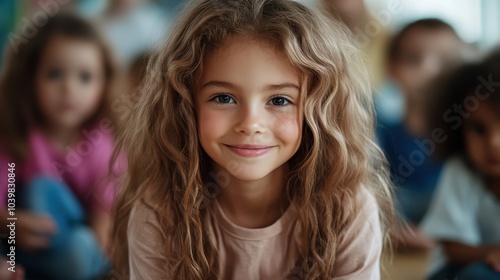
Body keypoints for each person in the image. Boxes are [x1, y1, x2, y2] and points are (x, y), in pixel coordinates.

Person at [111, 0, 394, 279]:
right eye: (223, 98)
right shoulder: (158, 212)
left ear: (318, 110)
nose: (250, 124)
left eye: (280, 100)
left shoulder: (347, 210)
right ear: (185, 105)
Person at [0, 13, 123, 280]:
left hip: (81, 243)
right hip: (19, 243)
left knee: (79, 245)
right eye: (54, 74)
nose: (69, 88)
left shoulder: (101, 139)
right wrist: (10, 223)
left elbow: (109, 198)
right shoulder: (17, 139)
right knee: (39, 191)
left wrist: (103, 225)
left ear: (104, 84)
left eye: (85, 77)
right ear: (29, 78)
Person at [376, 19, 464, 250]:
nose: (430, 70)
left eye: (446, 61)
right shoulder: (379, 129)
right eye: (414, 59)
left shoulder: (470, 133)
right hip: (390, 228)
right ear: (391, 68)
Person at [420, 50, 500, 280]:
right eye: (478, 129)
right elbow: (452, 247)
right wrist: (491, 253)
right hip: (456, 270)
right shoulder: (461, 171)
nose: (494, 143)